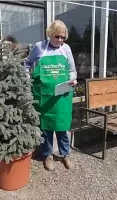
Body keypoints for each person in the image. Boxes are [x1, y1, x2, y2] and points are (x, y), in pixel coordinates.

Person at [24, 20, 77, 171]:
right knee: (46, 127)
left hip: (62, 96)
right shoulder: (39, 47)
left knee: (62, 127)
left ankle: (65, 154)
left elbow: (72, 70)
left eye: (63, 37)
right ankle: (47, 155)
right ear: (50, 34)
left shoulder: (66, 49)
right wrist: (26, 77)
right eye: (57, 36)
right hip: (44, 96)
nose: (60, 40)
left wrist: (73, 78)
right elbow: (27, 64)